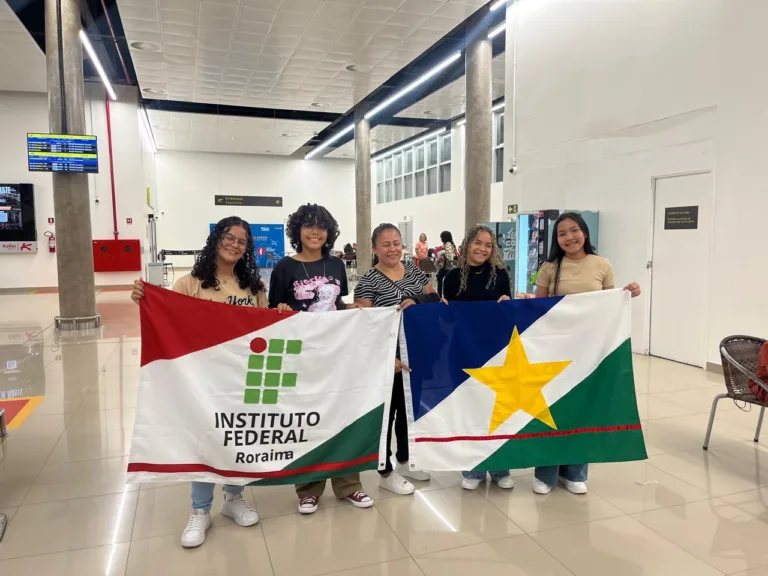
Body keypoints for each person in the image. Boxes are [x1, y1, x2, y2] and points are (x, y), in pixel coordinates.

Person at [130, 216, 265, 549]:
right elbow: (168, 320)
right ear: (215, 240)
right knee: (205, 439)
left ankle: (233, 498)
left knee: (239, 436)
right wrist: (144, 299)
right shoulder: (189, 284)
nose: (235, 245)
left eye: (242, 241)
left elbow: (265, 330)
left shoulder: (254, 287)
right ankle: (200, 510)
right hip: (202, 381)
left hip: (242, 379)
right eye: (229, 238)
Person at [268, 204, 374, 513]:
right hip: (302, 356)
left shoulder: (336, 265)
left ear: (329, 233)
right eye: (309, 226)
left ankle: (348, 485)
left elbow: (336, 304)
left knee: (342, 415)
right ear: (297, 231)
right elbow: (275, 309)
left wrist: (349, 310)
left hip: (336, 354)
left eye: (322, 227)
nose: (315, 232)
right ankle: (308, 488)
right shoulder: (284, 267)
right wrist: (281, 311)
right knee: (309, 419)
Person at [532, 212, 641, 495]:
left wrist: (627, 293)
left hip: (590, 351)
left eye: (574, 230)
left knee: (583, 408)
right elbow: (538, 310)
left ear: (585, 233)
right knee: (552, 410)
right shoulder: (549, 268)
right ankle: (545, 474)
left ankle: (576, 472)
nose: (569, 237)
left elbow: (608, 304)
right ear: (556, 240)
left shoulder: (602, 265)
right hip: (555, 350)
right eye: (562, 234)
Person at [354, 223, 437, 495]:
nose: (392, 249)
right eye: (386, 244)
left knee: (408, 412)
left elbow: (435, 299)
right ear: (375, 248)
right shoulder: (368, 281)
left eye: (396, 243)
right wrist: (386, 358)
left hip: (417, 355)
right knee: (385, 417)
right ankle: (385, 471)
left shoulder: (413, 270)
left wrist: (417, 300)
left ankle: (404, 460)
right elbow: (363, 325)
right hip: (387, 360)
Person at [442, 225, 516, 491]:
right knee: (470, 411)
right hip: (463, 353)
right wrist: (441, 310)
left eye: (488, 245)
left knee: (498, 411)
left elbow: (510, 314)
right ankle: (472, 469)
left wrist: (509, 302)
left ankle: (500, 468)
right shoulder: (449, 278)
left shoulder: (500, 275)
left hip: (495, 351)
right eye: (478, 243)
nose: (483, 249)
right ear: (467, 244)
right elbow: (446, 321)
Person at [435, 230, 458, 296]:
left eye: (441, 237)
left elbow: (449, 256)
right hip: (451, 266)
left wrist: (442, 256)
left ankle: (440, 296)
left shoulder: (447, 244)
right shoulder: (451, 243)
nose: (441, 239)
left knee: (440, 280)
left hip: (446, 266)